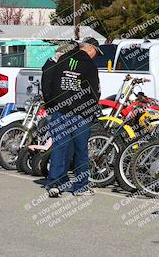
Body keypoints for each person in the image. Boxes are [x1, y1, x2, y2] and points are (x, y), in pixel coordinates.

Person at [46, 37, 103, 198]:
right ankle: (80, 186)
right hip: (80, 114)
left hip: (60, 111)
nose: (95, 56)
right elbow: (94, 91)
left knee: (59, 147)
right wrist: (91, 110)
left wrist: (52, 104)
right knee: (81, 151)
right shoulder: (90, 65)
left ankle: (55, 184)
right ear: (92, 49)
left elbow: (50, 82)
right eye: (96, 53)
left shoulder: (63, 59)